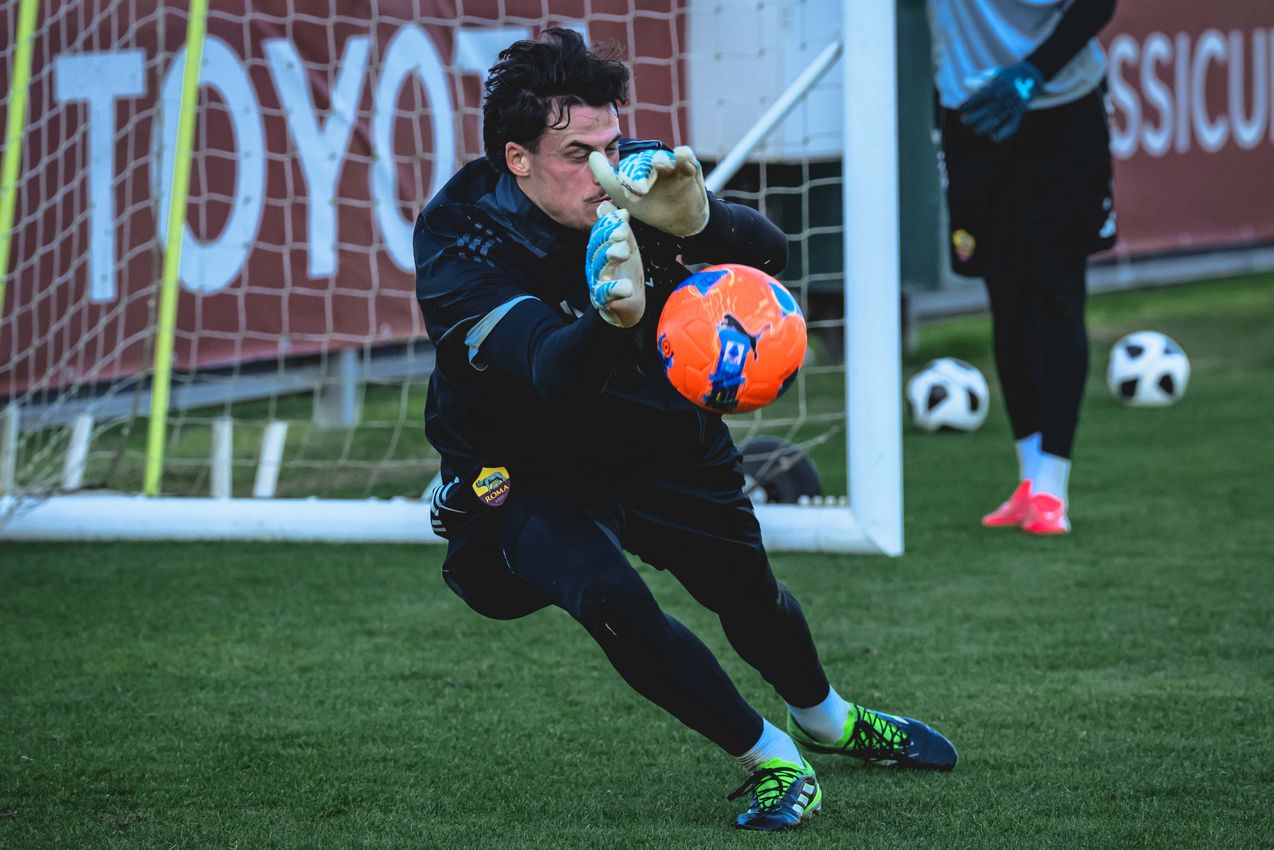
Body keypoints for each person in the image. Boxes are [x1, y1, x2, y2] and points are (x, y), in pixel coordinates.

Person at [414, 28, 956, 831]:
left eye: (608, 140)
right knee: (590, 594)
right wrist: (611, 316)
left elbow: (768, 254)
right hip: (530, 453)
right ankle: (772, 757)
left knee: (750, 598)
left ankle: (828, 717)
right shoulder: (459, 235)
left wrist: (697, 217)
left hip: (659, 431)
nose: (602, 168)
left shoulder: (635, 169)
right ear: (516, 158)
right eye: (575, 154)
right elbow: (554, 373)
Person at [928, 0, 1118, 534]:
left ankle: (1053, 485)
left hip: (1062, 110)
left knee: (1057, 293)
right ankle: (1030, 479)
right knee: (1006, 298)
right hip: (973, 112)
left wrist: (1033, 74)